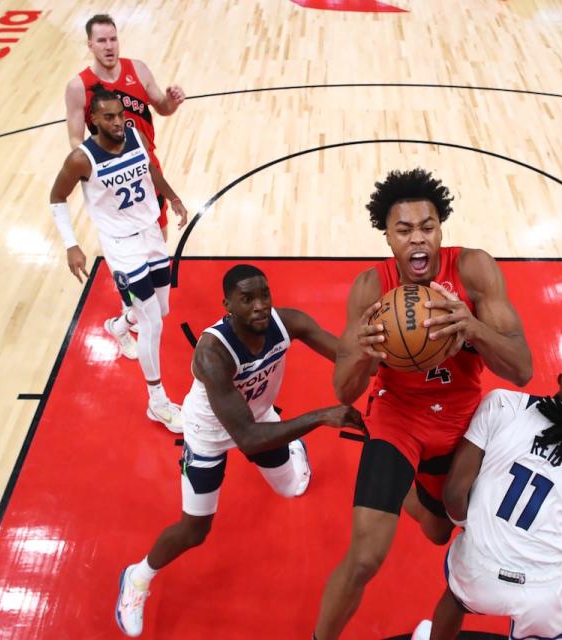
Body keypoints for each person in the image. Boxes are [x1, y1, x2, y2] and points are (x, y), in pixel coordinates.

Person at [314, 168, 534, 638]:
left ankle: (410, 490)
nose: (419, 240)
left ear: (441, 228)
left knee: (438, 533)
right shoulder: (372, 289)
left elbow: (523, 369)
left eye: (428, 227)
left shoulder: (473, 269)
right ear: (388, 238)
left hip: (461, 420)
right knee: (365, 558)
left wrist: (473, 327)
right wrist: (367, 358)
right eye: (405, 230)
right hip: (398, 420)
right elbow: (343, 391)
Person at [115, 264, 366, 637]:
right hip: (210, 434)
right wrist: (321, 416)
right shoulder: (212, 353)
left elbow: (346, 353)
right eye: (247, 299)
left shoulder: (288, 323)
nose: (260, 305)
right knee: (195, 529)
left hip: (259, 417)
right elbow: (247, 438)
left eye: (265, 295)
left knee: (292, 488)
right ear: (227, 305)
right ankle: (138, 578)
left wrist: (386, 349)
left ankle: (291, 444)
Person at [411, 350, 562, 640]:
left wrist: (470, 524)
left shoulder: (503, 404)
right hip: (544, 589)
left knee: (455, 599)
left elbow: (454, 493)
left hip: (478, 570)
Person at [49, 89, 188, 432]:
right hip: (122, 248)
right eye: (108, 117)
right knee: (153, 322)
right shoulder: (82, 159)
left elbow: (149, 170)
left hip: (151, 235)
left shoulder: (135, 135)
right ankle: (157, 403)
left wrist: (171, 196)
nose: (117, 122)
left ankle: (119, 325)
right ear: (93, 120)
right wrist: (72, 244)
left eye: (120, 115)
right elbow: (56, 198)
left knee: (162, 309)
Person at [64, 13, 186, 350]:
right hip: (111, 173)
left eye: (113, 39)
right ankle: (128, 308)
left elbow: (160, 106)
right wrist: (99, 164)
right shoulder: (79, 86)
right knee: (123, 245)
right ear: (89, 44)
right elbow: (75, 138)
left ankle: (129, 315)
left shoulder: (139, 69)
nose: (109, 46)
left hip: (146, 163)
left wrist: (172, 102)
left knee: (155, 235)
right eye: (101, 40)